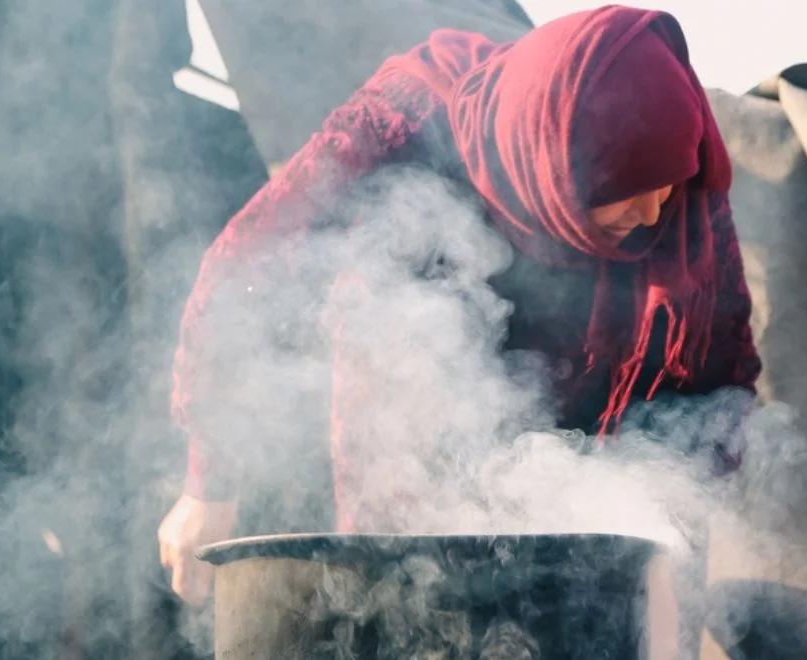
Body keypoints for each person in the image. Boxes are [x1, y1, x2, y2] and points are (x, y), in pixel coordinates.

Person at [157, 5, 761, 604]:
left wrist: (661, 536)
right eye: (626, 193)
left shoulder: (682, 179)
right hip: (405, 448)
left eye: (667, 186)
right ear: (562, 167)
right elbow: (249, 272)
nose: (656, 215)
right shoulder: (410, 117)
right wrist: (208, 486)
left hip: (587, 476)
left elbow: (719, 378)